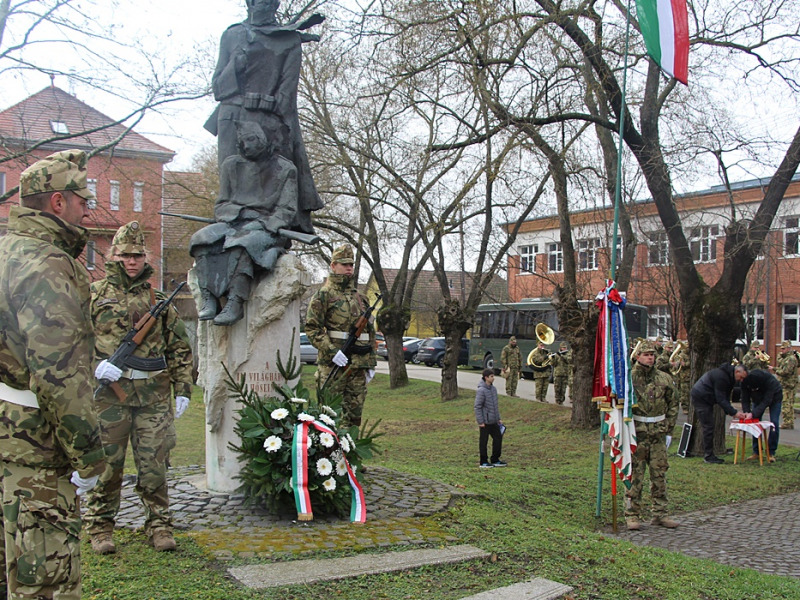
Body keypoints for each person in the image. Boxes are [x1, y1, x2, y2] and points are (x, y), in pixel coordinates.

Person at [0, 149, 106, 599]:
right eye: (83, 198)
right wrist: (88, 457)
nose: (89, 207)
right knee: (47, 579)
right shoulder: (46, 262)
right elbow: (59, 372)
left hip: (9, 433)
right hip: (37, 446)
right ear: (58, 202)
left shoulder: (8, 249)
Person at [85, 221, 195, 554]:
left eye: (137, 255)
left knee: (154, 466)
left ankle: (159, 524)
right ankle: (101, 526)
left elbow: (179, 347)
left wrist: (184, 389)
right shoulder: (94, 295)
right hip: (109, 397)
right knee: (108, 465)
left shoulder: (158, 299)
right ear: (113, 255)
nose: (132, 261)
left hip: (153, 397)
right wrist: (94, 366)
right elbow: (73, 342)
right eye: (125, 255)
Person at [205, 0, 324, 233]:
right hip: (230, 117)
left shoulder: (288, 39)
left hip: (267, 124)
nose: (267, 4)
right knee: (231, 187)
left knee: (271, 192)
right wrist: (235, 65)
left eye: (272, 1)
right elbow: (218, 88)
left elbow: (286, 95)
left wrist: (262, 104)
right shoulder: (232, 34)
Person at [191, 116, 299, 325]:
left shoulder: (285, 169)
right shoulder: (231, 165)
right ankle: (209, 298)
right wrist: (238, 214)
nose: (246, 145)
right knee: (201, 239)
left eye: (251, 139)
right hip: (232, 222)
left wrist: (264, 223)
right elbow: (221, 204)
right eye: (243, 140)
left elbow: (286, 210)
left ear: (263, 139)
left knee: (243, 245)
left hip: (265, 228)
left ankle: (236, 301)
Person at [305, 245, 377, 428]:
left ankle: (350, 455)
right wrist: (332, 351)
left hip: (358, 366)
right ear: (333, 265)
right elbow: (313, 329)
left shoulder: (360, 297)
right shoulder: (324, 294)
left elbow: (369, 333)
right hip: (333, 366)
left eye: (351, 264)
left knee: (354, 417)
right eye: (344, 264)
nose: (349, 268)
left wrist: (370, 363)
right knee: (329, 416)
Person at [626, 340, 679, 531]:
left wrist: (669, 429)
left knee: (659, 474)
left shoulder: (664, 378)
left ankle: (660, 514)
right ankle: (632, 514)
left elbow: (673, 403)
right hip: (638, 433)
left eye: (652, 355)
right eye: (646, 354)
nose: (650, 357)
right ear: (638, 356)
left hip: (658, 433)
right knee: (635, 476)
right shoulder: (630, 378)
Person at [690, 363, 751, 464]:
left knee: (709, 425)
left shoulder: (729, 377)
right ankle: (708, 456)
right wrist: (734, 413)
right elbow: (721, 398)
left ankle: (709, 454)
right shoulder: (721, 377)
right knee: (708, 426)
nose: (741, 380)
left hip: (706, 396)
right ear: (737, 372)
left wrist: (730, 412)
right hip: (701, 397)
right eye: (741, 377)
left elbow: (725, 397)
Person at [740, 369, 783, 461]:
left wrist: (753, 413)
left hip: (775, 397)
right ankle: (756, 451)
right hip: (757, 399)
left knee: (774, 423)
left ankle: (771, 452)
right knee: (754, 422)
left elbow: (766, 401)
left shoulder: (769, 381)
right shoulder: (745, 381)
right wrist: (747, 412)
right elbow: (745, 399)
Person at [474, 368, 505, 468]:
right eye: (491, 376)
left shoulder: (493, 389)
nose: (493, 378)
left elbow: (495, 406)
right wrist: (480, 421)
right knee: (484, 441)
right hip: (485, 421)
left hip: (493, 420)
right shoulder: (481, 390)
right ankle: (483, 461)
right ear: (486, 377)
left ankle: (495, 459)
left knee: (498, 438)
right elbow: (477, 406)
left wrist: (498, 418)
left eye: (493, 376)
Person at [775, 341, 799, 429]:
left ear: (788, 348)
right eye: (781, 349)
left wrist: (775, 370)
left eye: (783, 349)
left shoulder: (791, 359)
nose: (782, 351)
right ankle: (789, 421)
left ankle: (788, 422)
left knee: (786, 403)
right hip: (786, 383)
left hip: (789, 384)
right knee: (788, 403)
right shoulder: (787, 358)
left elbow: (786, 372)